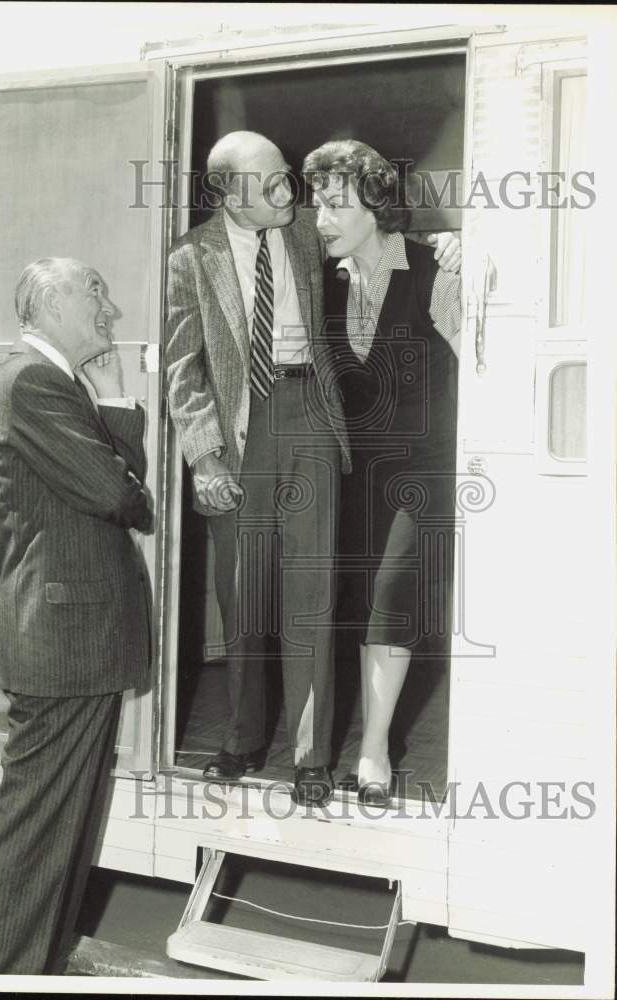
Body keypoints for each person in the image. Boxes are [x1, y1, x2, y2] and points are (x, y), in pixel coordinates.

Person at [165, 131, 458, 808]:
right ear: (225, 191)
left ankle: (310, 755)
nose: (286, 195)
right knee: (243, 593)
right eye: (267, 183)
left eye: (285, 181)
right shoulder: (190, 256)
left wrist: (453, 244)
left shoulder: (308, 230)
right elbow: (182, 368)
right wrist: (204, 455)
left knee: (312, 594)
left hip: (313, 417)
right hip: (238, 429)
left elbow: (390, 242)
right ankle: (240, 737)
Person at [0, 258, 152, 974]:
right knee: (39, 830)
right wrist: (117, 411)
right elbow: (120, 495)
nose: (109, 306)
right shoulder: (32, 382)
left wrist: (105, 403)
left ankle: (26, 971)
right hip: (64, 639)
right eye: (93, 290)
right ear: (47, 302)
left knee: (63, 828)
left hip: (78, 638)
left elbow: (127, 495)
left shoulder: (57, 385)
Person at [302, 139, 462, 806]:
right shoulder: (326, 284)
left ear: (375, 203)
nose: (320, 218)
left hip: (424, 470)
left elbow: (492, 359)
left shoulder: (434, 270)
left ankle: (373, 751)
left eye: (334, 203)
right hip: (355, 472)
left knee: (393, 597)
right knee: (356, 604)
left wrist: (472, 245)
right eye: (315, 203)